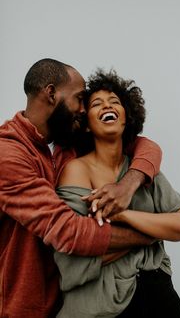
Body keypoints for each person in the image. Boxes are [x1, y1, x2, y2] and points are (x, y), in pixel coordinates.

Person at [0, 58, 163, 318]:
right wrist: (151, 235)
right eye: (78, 98)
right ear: (51, 93)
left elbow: (145, 146)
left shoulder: (68, 141)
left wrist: (128, 184)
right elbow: (67, 230)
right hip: (25, 309)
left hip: (71, 304)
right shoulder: (8, 155)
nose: (83, 108)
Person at [55, 69, 180, 318]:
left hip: (160, 294)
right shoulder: (75, 170)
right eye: (96, 104)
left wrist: (123, 215)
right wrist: (153, 231)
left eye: (115, 102)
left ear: (126, 117)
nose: (107, 106)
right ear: (86, 125)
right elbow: (73, 251)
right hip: (102, 305)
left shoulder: (142, 171)